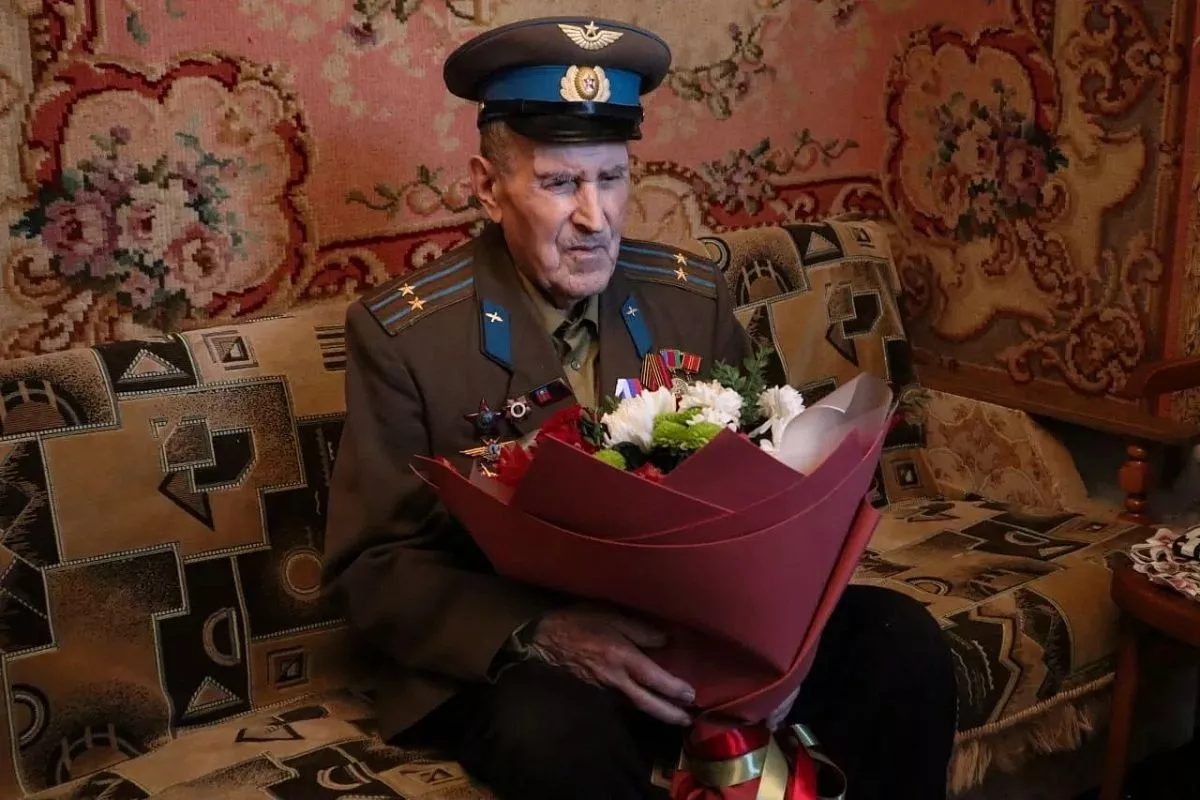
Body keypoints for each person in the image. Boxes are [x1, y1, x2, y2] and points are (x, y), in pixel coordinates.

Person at [323, 15, 958, 800]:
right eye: (560, 184)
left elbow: (772, 484)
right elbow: (372, 566)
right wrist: (545, 632)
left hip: (697, 635)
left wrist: (780, 649)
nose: (596, 218)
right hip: (537, 657)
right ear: (489, 188)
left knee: (899, 643)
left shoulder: (690, 295)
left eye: (612, 177)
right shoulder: (405, 335)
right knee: (552, 737)